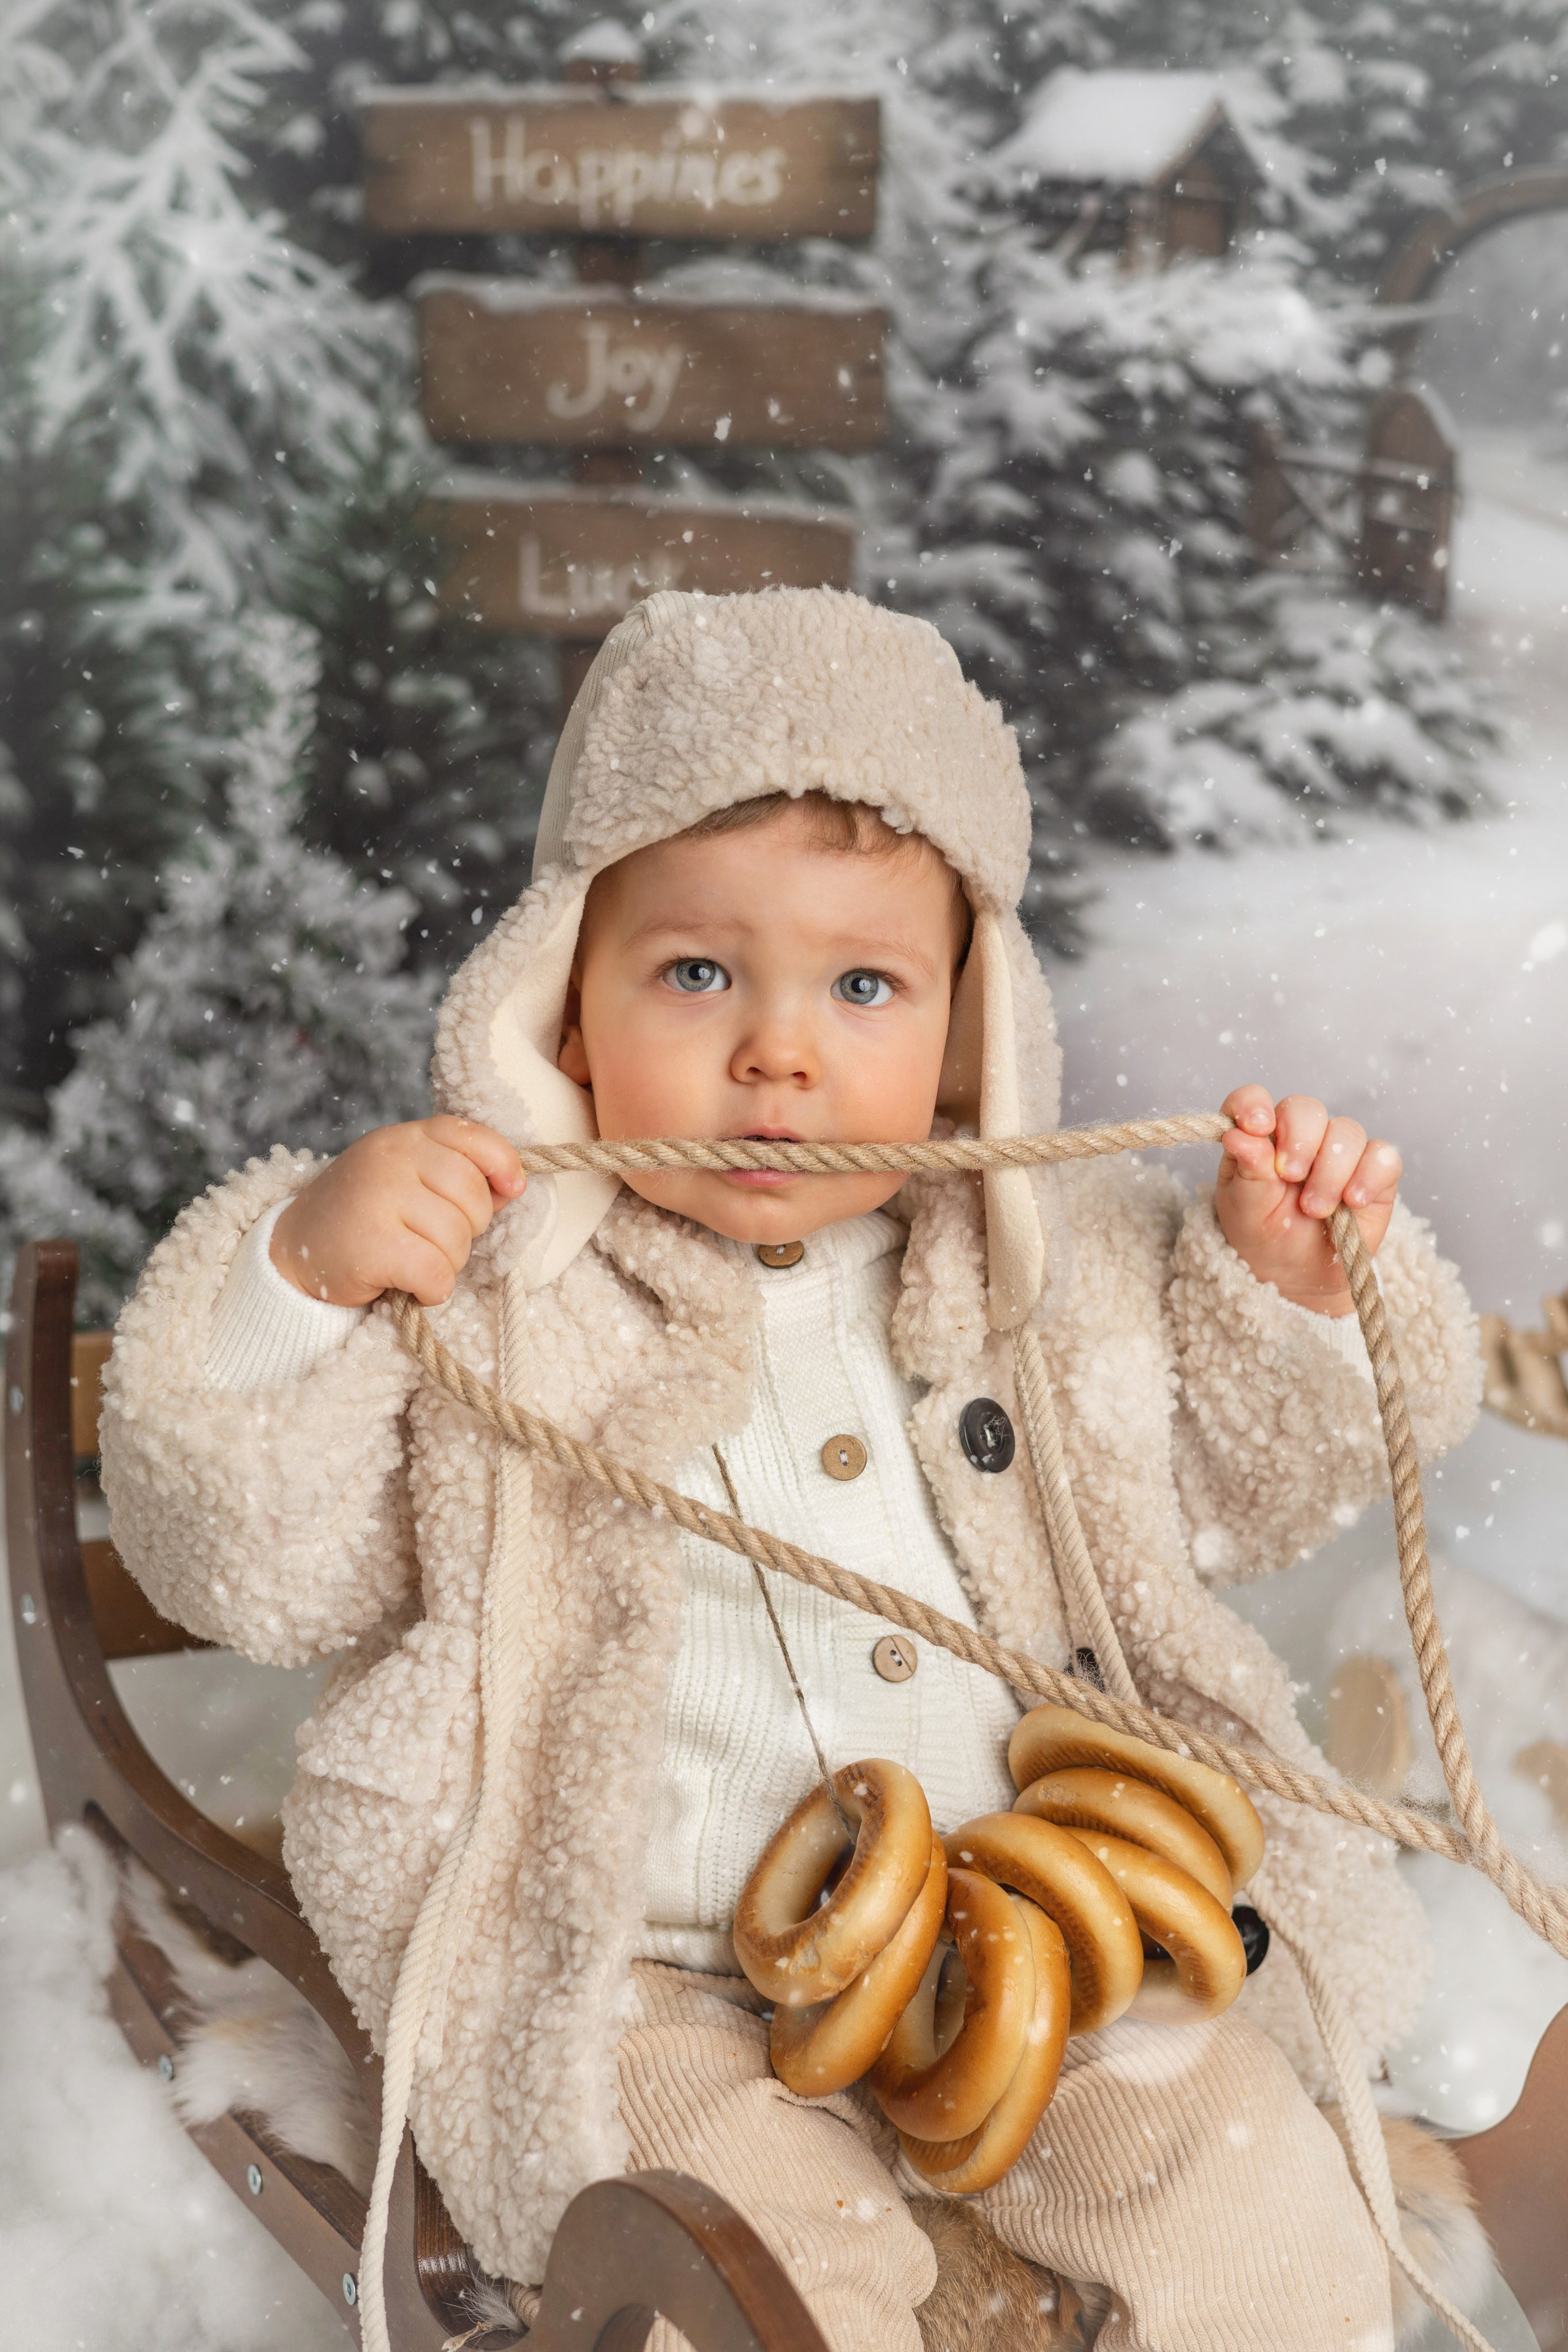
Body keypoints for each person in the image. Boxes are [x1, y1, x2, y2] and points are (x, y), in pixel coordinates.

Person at [101, 587, 1485, 2350]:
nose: (780, 1048)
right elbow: (254, 1565)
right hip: (650, 1966)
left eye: (863, 984)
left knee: (1254, 2210)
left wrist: (1286, 1284)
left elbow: (1260, 1471)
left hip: (1039, 1931)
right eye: (697, 972)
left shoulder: (1046, 1273)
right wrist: (302, 1280)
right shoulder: (502, 1294)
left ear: (969, 1029)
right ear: (565, 1010)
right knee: (739, 2273)